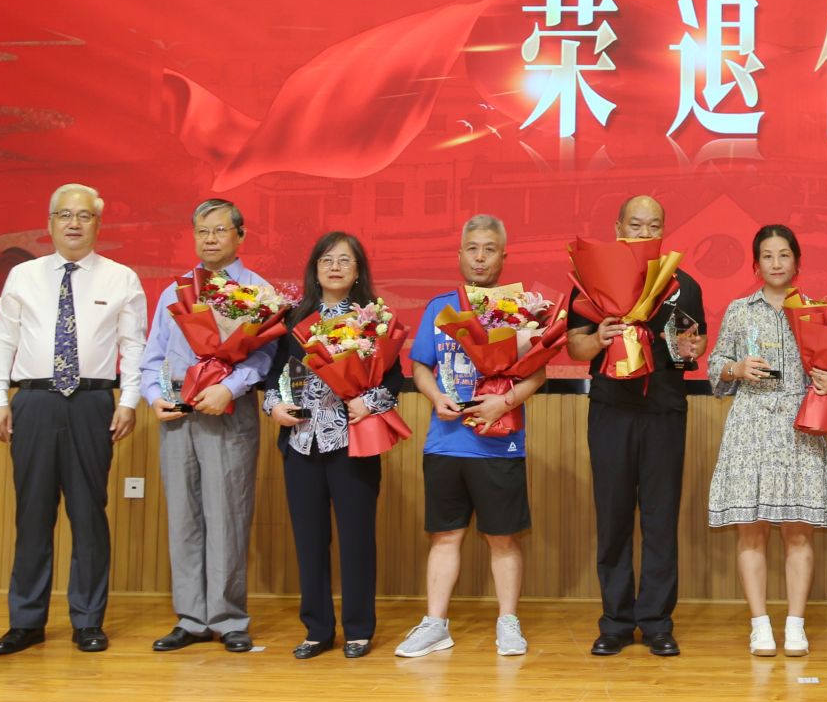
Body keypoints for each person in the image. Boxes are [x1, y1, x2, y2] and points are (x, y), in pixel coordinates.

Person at [0, 183, 146, 656]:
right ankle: (26, 621)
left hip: (93, 403)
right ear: (49, 223)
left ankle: (88, 620)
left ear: (98, 223)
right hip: (34, 401)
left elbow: (133, 346)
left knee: (89, 514)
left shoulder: (121, 278)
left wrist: (128, 400)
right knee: (32, 514)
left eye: (84, 216)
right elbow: (2, 340)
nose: (74, 223)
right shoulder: (23, 276)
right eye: (65, 215)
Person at [398, 215, 549, 660]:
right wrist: (435, 396)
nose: (480, 257)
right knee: (445, 535)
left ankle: (508, 622)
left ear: (504, 256)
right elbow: (420, 365)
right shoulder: (440, 307)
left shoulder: (521, 309)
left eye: (489, 249)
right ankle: (435, 624)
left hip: (499, 442)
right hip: (445, 440)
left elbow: (538, 372)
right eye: (472, 248)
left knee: (503, 536)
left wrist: (505, 402)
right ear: (460, 254)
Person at [566, 195, 708, 657]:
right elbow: (575, 347)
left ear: (664, 230)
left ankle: (657, 622)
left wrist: (693, 348)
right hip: (611, 411)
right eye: (636, 224)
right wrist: (598, 338)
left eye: (654, 226)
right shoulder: (591, 282)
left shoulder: (682, 284)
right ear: (618, 227)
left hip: (664, 412)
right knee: (612, 519)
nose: (645, 233)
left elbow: (695, 344)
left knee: (660, 520)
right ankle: (616, 622)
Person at [138, 198, 276, 654]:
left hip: (227, 410)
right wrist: (155, 396)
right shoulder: (174, 290)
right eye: (202, 231)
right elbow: (153, 356)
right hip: (179, 408)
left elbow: (263, 356)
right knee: (183, 515)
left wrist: (229, 388)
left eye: (219, 230)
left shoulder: (257, 291)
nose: (210, 239)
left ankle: (228, 617)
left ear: (240, 235)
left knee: (228, 514)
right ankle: (191, 618)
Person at [706, 225, 827, 657]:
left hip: (800, 425)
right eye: (767, 256)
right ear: (756, 264)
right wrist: (736, 369)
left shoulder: (817, 312)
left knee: (799, 533)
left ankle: (796, 625)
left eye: (784, 255)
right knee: (751, 531)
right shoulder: (739, 310)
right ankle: (760, 625)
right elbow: (715, 364)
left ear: (797, 262)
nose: (776, 263)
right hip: (750, 424)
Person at [264, 231, 400, 659]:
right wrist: (274, 407)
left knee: (357, 539)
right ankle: (317, 629)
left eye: (344, 260)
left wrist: (368, 402)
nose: (335, 267)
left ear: (358, 270)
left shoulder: (373, 319)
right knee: (309, 540)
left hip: (352, 442)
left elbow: (394, 380)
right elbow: (275, 377)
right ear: (315, 269)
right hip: (301, 442)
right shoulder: (293, 320)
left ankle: (358, 628)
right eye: (327, 259)